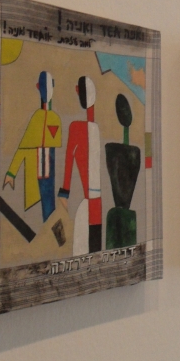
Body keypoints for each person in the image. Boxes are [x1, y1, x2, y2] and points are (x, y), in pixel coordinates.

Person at [3, 71, 62, 223]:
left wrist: (11, 173)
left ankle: (51, 232)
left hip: (49, 171)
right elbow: (24, 147)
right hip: (39, 170)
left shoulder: (52, 118)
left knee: (49, 206)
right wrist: (11, 172)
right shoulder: (39, 117)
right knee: (45, 207)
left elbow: (25, 147)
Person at [58, 76, 102, 255]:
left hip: (89, 204)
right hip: (97, 204)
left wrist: (64, 192)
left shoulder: (76, 128)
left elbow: (69, 159)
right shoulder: (95, 129)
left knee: (82, 252)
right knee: (93, 251)